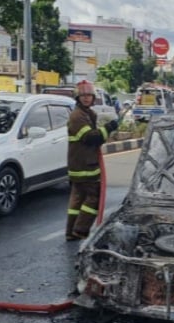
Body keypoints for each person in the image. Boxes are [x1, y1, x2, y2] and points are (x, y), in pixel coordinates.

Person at [66, 80, 119, 241]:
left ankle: (71, 232)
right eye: (83, 95)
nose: (87, 98)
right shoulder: (77, 116)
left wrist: (104, 130)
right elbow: (90, 138)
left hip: (81, 163)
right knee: (93, 198)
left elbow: (96, 138)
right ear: (78, 97)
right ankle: (81, 230)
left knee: (77, 200)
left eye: (89, 95)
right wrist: (108, 128)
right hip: (84, 165)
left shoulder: (88, 114)